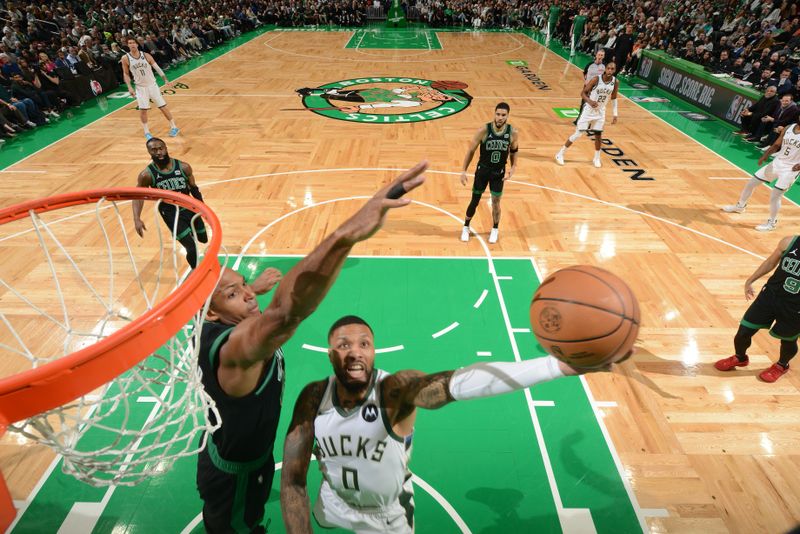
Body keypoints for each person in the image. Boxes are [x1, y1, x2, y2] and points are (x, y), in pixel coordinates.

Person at [195, 163, 427, 533]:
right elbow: (286, 314)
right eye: (233, 294)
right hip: (235, 478)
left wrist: (249, 289)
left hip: (242, 453)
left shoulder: (217, 322)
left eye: (242, 287)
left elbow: (242, 306)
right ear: (211, 313)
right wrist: (348, 234)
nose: (248, 297)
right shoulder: (235, 352)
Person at [280, 316, 631, 532]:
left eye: (364, 344)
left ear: (374, 352)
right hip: (333, 502)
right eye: (343, 345)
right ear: (330, 354)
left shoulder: (396, 390)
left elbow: (456, 383)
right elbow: (293, 481)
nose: (355, 351)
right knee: (322, 518)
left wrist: (555, 367)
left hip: (386, 516)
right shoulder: (313, 398)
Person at [715, 235, 800, 382]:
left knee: (788, 341)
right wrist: (750, 280)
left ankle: (781, 365)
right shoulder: (789, 241)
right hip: (770, 296)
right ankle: (740, 357)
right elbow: (769, 263)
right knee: (743, 331)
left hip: (795, 307)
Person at [132, 138, 207, 268]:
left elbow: (194, 188)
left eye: (161, 148)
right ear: (149, 152)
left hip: (189, 208)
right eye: (154, 150)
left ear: (166, 148)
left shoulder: (184, 167)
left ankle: (191, 238)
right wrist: (136, 218)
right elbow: (138, 196)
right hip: (171, 214)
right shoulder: (147, 175)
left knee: (203, 239)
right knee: (191, 247)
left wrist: (203, 207)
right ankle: (197, 271)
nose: (159, 152)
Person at [722, 117, 800, 231]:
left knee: (775, 196)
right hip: (777, 162)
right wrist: (765, 155)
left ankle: (772, 223)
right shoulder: (789, 127)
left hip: (790, 169)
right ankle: (740, 206)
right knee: (751, 183)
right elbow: (777, 144)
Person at [458, 102, 518, 244]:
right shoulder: (484, 130)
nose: (500, 118)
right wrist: (463, 171)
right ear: (494, 114)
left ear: (508, 116)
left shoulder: (513, 132)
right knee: (475, 200)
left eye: (503, 115)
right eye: (498, 114)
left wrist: (513, 167)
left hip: (499, 172)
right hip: (483, 171)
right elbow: (471, 151)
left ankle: (495, 229)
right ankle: (466, 226)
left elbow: (514, 151)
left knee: (496, 202)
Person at [556, 60, 619, 168]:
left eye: (612, 69)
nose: (610, 70)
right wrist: (590, 101)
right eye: (608, 68)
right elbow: (583, 93)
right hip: (589, 110)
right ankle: (560, 154)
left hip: (600, 111)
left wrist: (615, 114)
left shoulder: (615, 82)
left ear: (615, 70)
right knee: (578, 133)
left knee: (598, 135)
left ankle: (596, 158)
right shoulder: (596, 79)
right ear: (605, 69)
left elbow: (613, 98)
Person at [121, 36, 179, 140]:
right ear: (127, 45)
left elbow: (157, 67)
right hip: (140, 87)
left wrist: (165, 79)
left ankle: (174, 127)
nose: (132, 44)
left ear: (137, 44)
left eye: (133, 42)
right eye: (129, 43)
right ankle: (146, 132)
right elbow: (126, 74)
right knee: (143, 110)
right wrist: (129, 87)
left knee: (162, 106)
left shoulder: (146, 55)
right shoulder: (125, 58)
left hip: (152, 85)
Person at [573, 49, 605, 125]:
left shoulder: (604, 67)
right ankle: (579, 119)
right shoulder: (590, 64)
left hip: (596, 90)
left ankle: (589, 122)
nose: (600, 56)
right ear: (596, 55)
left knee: (592, 106)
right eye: (599, 55)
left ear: (603, 56)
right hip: (587, 88)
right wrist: (587, 83)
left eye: (602, 55)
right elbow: (584, 73)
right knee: (583, 104)